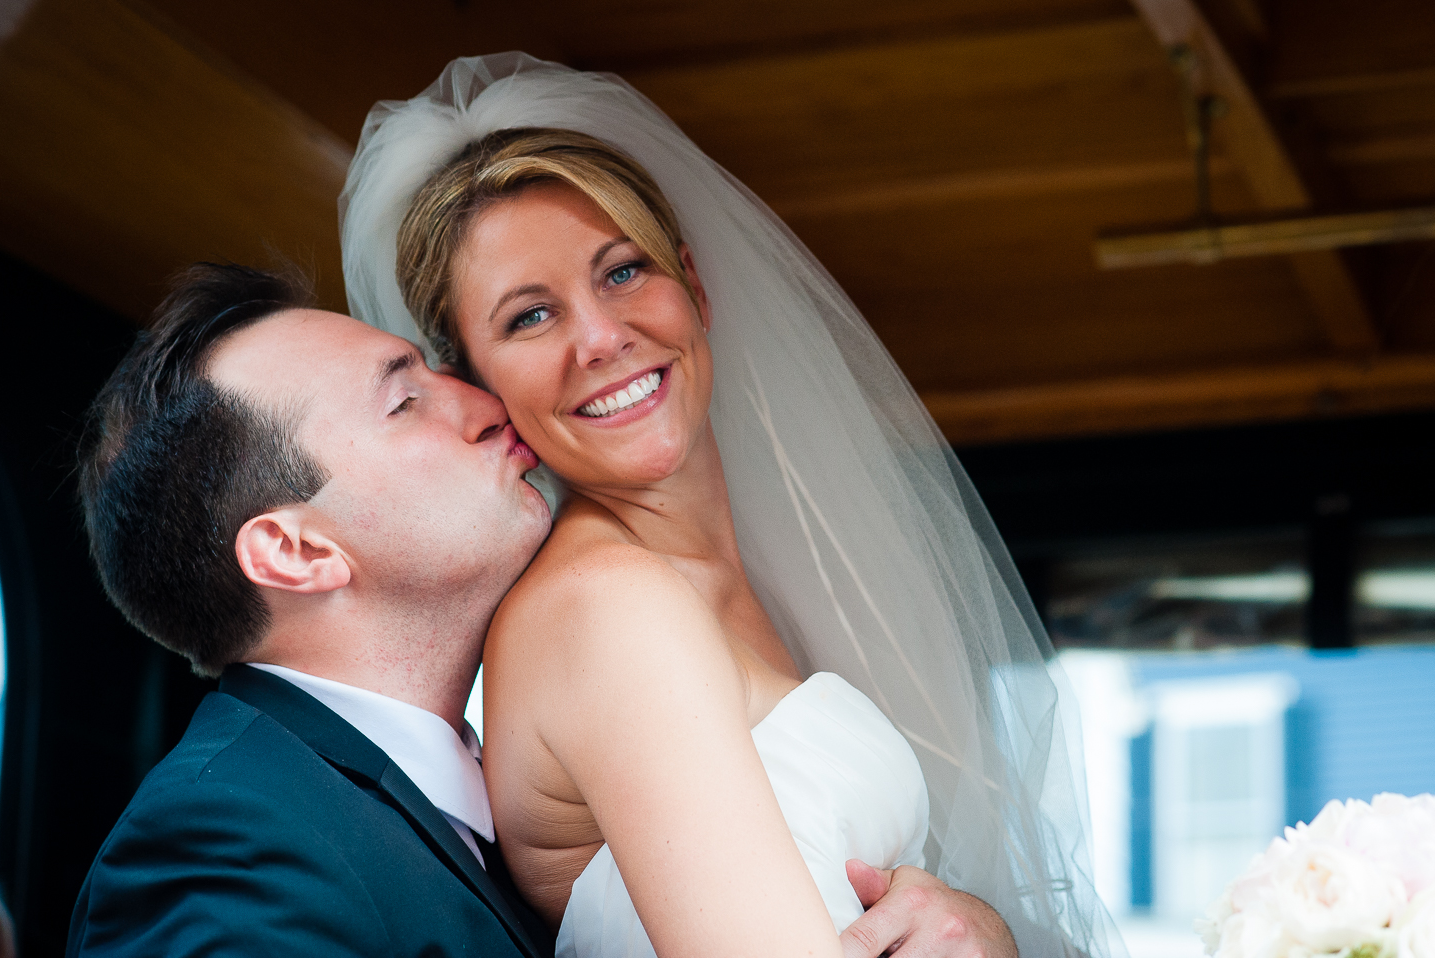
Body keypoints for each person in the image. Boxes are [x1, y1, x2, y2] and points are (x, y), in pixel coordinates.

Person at [340, 54, 1120, 958]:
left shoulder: (726, 582)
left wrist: (979, 926)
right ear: (476, 383)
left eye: (623, 272)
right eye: (529, 317)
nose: (601, 338)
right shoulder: (603, 609)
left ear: (695, 287)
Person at [67, 262, 1015, 957]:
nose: (482, 402)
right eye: (405, 402)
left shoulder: (508, 786)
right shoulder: (222, 847)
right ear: (299, 550)